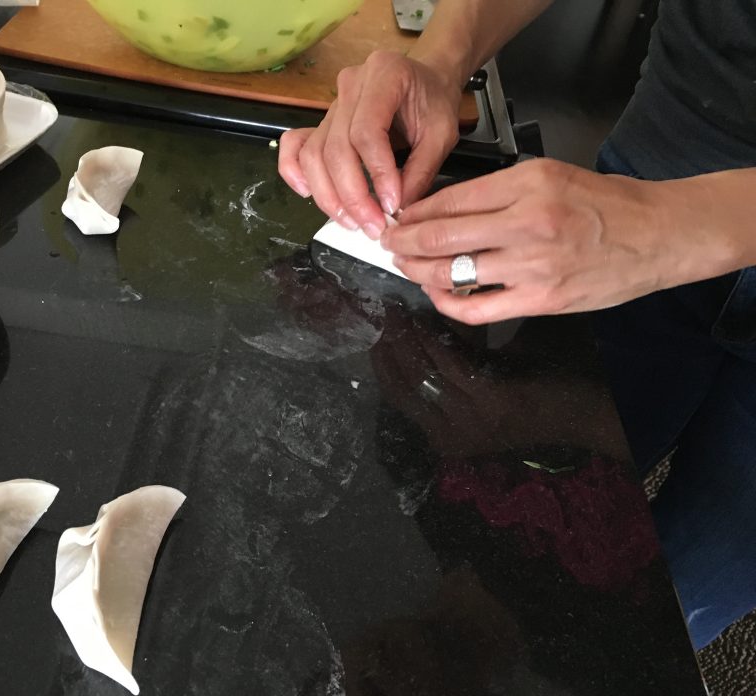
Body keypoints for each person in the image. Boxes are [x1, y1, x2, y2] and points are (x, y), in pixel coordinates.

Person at [277, 0, 756, 651]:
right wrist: (443, 58)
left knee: (680, 601)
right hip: (671, 143)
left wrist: (673, 227)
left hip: (655, 207)